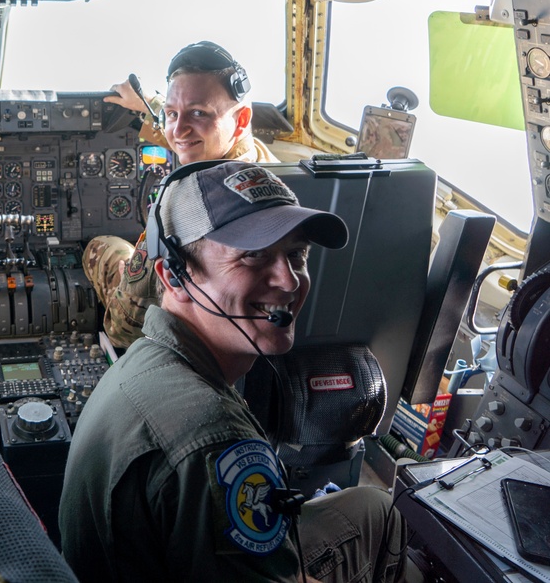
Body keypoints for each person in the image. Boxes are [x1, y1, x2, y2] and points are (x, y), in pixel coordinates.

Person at [60, 161, 413, 583]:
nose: (289, 281)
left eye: (296, 255)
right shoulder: (214, 438)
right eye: (253, 256)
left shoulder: (148, 355)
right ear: (174, 278)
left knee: (374, 507)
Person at [85, 42, 276, 349]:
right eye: (172, 114)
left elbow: (124, 329)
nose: (178, 131)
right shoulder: (267, 168)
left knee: (100, 246)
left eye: (198, 113)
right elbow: (192, 132)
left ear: (240, 120)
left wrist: (128, 274)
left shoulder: (182, 207)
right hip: (249, 320)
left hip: (194, 337)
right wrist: (153, 106)